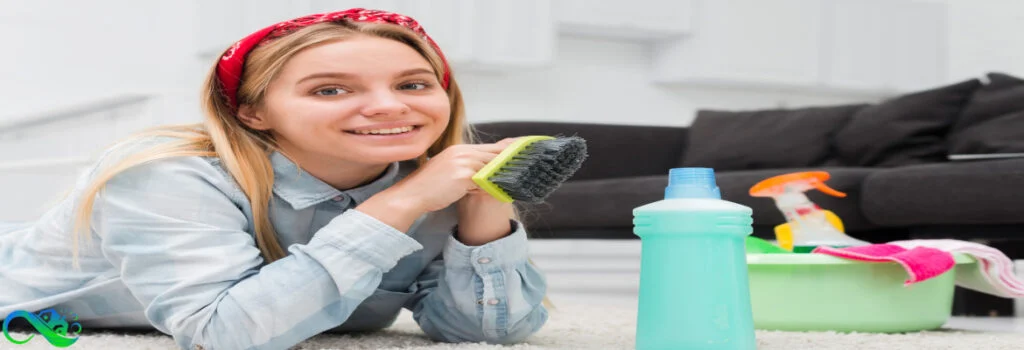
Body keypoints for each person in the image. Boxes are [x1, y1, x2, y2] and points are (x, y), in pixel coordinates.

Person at [0, 8, 548, 350]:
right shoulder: (165, 175)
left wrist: (483, 210)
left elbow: (485, 335)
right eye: (330, 89)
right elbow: (223, 335)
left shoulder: (432, 182)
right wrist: (398, 206)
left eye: (412, 83)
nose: (387, 106)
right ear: (251, 112)